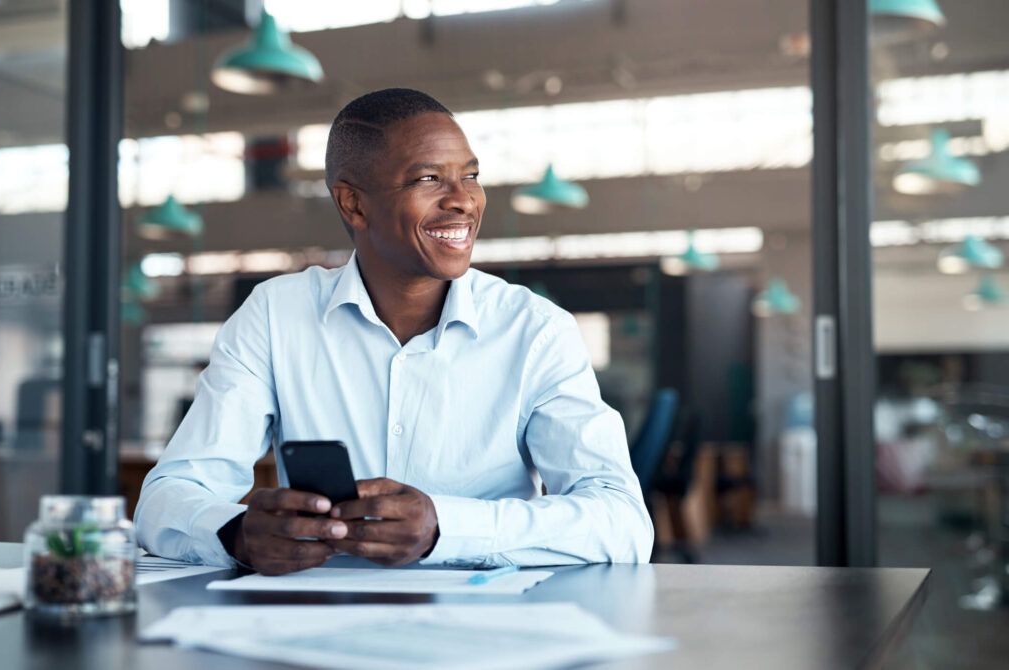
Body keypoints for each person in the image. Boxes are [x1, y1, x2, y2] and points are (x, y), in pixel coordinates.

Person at [135, 88, 653, 575]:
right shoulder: (275, 316)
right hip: (319, 621)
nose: (463, 200)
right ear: (353, 204)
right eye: (429, 179)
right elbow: (167, 498)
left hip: (483, 622)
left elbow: (623, 523)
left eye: (471, 176)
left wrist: (445, 529)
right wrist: (237, 534)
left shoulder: (535, 330)